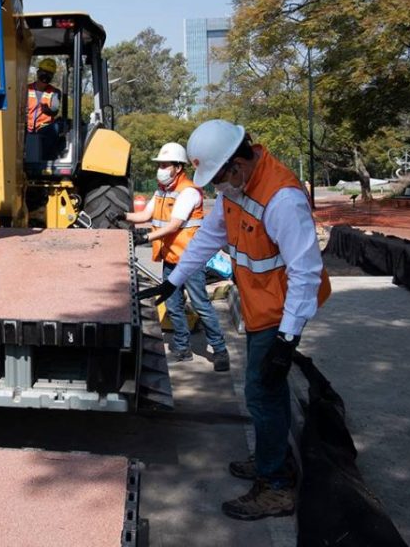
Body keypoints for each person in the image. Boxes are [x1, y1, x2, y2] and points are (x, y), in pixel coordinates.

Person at [141, 119, 330, 521]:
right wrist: (172, 282)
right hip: (261, 305)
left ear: (237, 165)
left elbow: (306, 273)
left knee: (261, 392)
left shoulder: (282, 198)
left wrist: (287, 338)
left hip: (280, 311)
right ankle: (271, 457)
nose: (215, 188)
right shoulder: (238, 188)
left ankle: (276, 484)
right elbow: (209, 235)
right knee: (268, 392)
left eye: (218, 179)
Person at [116, 142, 229, 372]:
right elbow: (145, 215)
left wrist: (145, 238)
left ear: (178, 167)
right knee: (173, 305)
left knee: (200, 304)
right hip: (171, 257)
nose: (161, 169)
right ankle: (182, 348)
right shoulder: (161, 191)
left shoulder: (188, 191)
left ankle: (220, 351)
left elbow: (174, 225)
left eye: (165, 164)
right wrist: (121, 215)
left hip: (190, 260)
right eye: (160, 164)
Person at [26, 57, 62, 133]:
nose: (46, 76)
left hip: (45, 131)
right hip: (26, 130)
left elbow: (55, 108)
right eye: (44, 72)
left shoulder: (55, 92)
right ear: (38, 72)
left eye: (49, 74)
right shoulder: (26, 89)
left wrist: (48, 110)